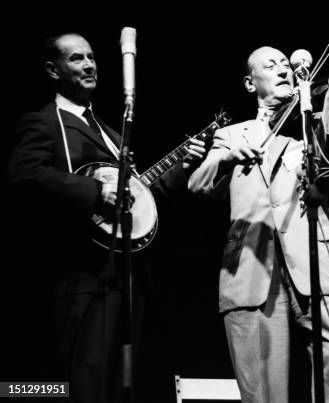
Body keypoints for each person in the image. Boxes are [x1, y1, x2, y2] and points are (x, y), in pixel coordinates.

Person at [7, 32, 206, 403]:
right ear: (53, 70)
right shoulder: (44, 122)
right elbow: (25, 173)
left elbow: (143, 195)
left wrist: (183, 165)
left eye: (93, 57)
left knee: (125, 384)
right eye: (77, 59)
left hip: (126, 277)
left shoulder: (112, 134)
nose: (89, 65)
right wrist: (98, 192)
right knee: (89, 380)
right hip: (84, 276)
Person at [188, 46, 329, 402]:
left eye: (286, 64)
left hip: (313, 254)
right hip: (250, 263)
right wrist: (229, 157)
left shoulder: (306, 124)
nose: (283, 69)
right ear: (251, 84)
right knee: (262, 384)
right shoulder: (232, 135)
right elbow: (198, 185)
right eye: (272, 65)